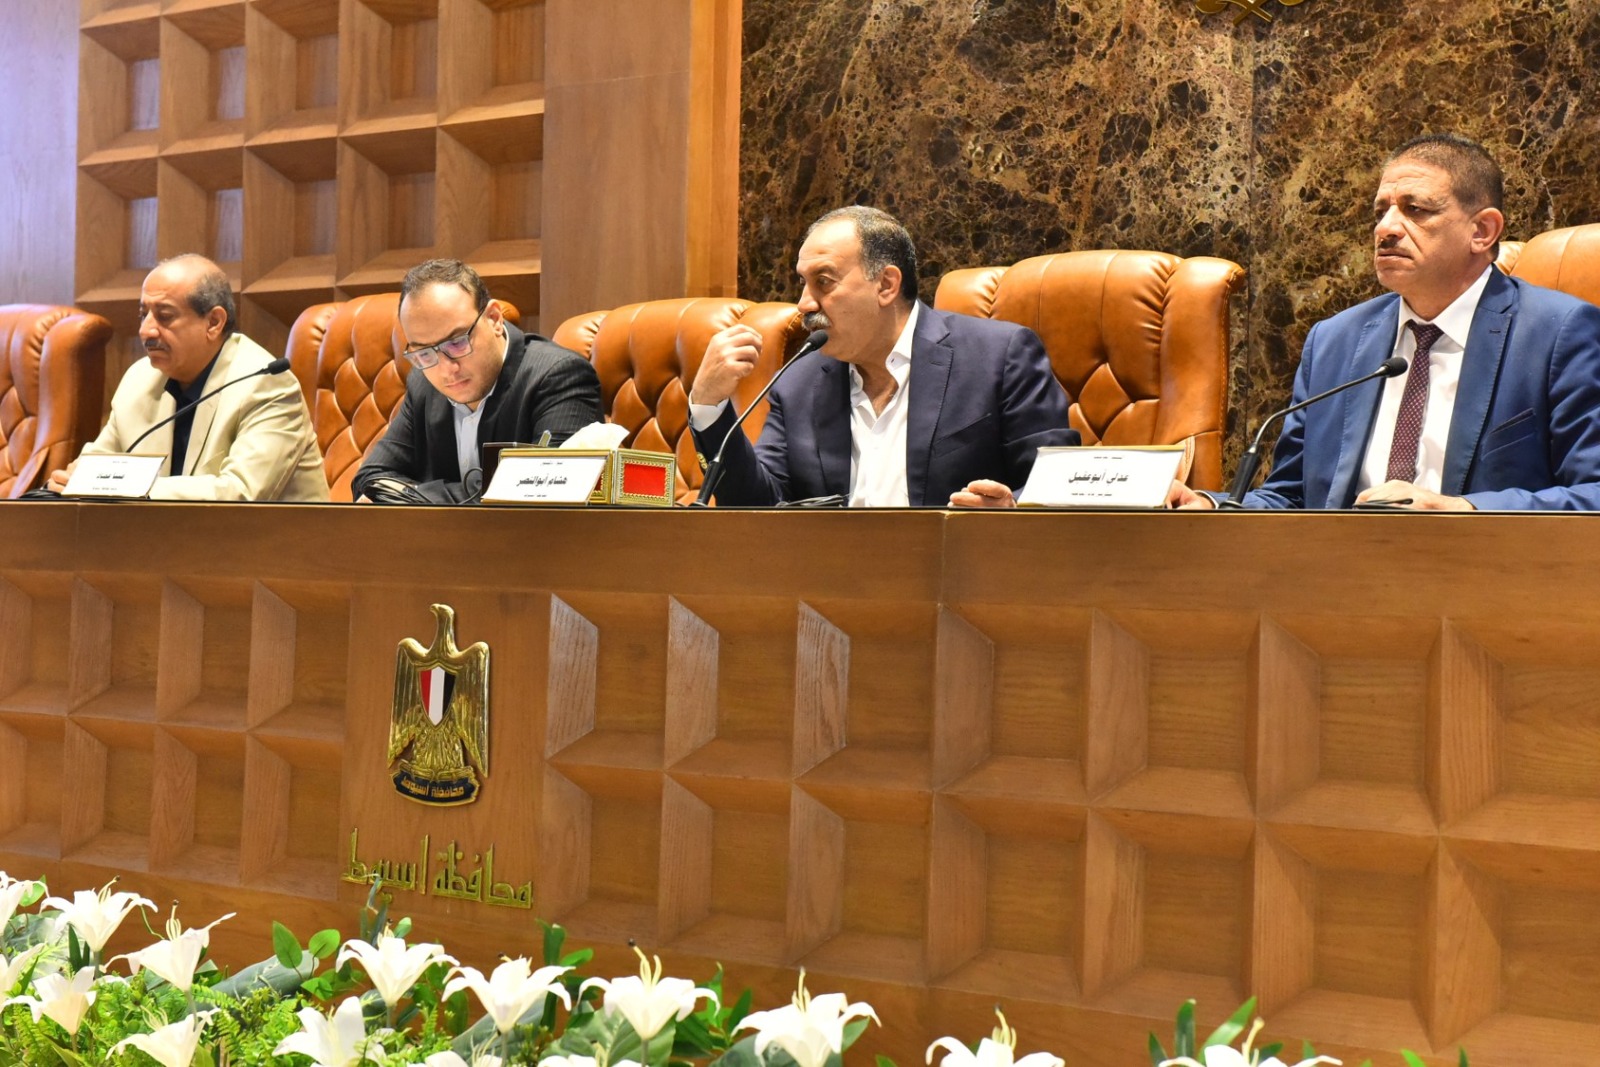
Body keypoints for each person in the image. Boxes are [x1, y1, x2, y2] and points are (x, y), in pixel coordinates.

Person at [1170, 133, 1600, 511]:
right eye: (1381, 211)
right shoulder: (1334, 341)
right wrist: (1209, 505)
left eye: (1416, 209)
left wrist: (1464, 510)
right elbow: (1291, 498)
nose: (1386, 228)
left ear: (1482, 231)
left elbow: (1593, 494)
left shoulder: (1558, 334)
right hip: (1337, 570)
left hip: (1481, 570)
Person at [688, 205, 1078, 507]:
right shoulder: (798, 383)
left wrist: (1011, 510)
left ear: (887, 285)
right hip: (832, 582)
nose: (805, 303)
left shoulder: (998, 358)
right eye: (803, 283)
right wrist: (708, 405)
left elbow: (1061, 487)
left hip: (959, 578)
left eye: (823, 281)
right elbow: (757, 509)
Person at [46, 254, 327, 501]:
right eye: (143, 314)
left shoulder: (265, 384)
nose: (145, 331)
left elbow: (240, 493)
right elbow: (94, 468)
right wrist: (73, 481)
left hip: (273, 543)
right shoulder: (140, 379)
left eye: (164, 316)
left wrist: (127, 487)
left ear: (213, 322)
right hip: (170, 540)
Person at [352, 259, 603, 503]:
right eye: (424, 353)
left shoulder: (559, 376)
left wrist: (409, 496)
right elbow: (370, 479)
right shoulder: (423, 383)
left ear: (494, 319)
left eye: (457, 342)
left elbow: (547, 493)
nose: (447, 369)